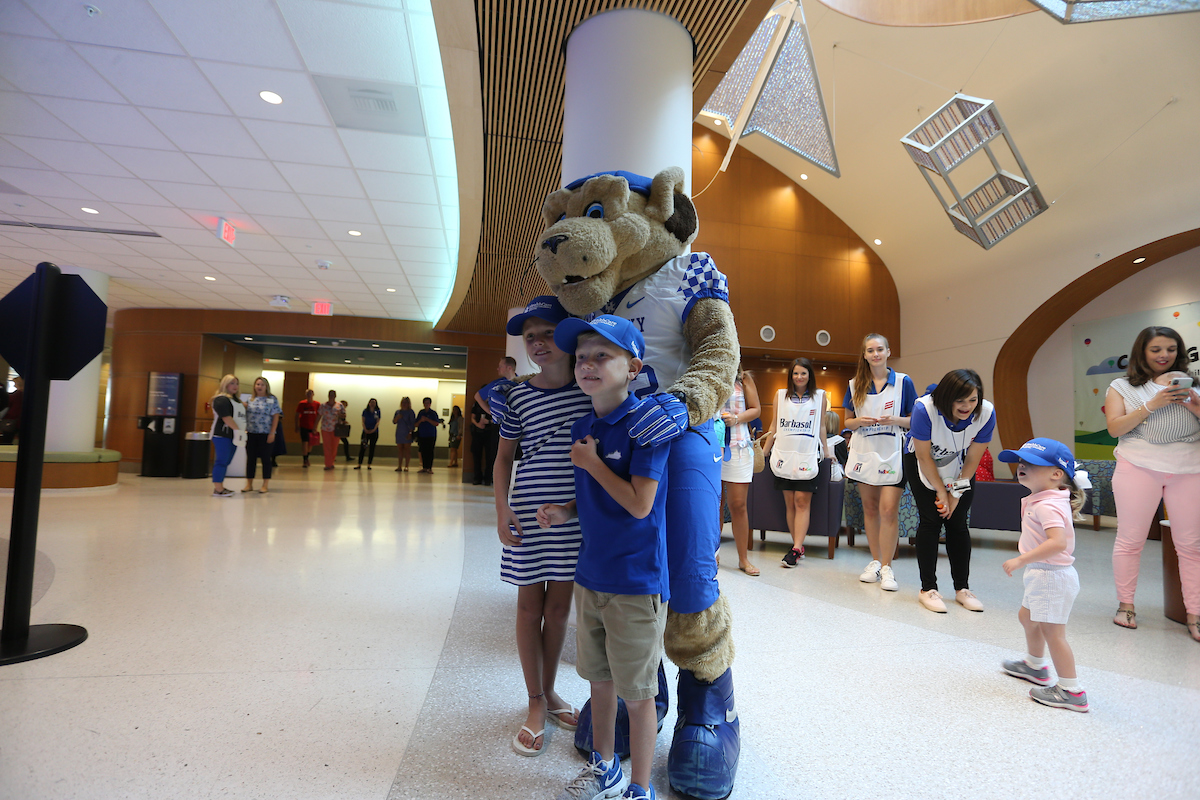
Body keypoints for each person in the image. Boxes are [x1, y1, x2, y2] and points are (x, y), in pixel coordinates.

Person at [539, 315, 670, 800]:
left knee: (638, 693)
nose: (587, 365)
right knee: (599, 681)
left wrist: (592, 463)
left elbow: (639, 504)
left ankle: (641, 787)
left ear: (633, 368)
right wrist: (566, 509)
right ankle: (605, 768)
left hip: (635, 582)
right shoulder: (584, 426)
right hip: (590, 575)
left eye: (602, 356)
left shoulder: (648, 425)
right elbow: (593, 493)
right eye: (582, 357)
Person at [493, 296, 591, 757]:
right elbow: (503, 459)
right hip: (527, 515)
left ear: (568, 337)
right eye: (530, 336)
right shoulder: (517, 396)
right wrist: (501, 509)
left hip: (572, 517)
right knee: (529, 609)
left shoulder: (588, 391)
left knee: (558, 611)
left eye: (548, 333)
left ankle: (549, 692)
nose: (537, 343)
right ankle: (535, 700)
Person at [1104, 326, 1200, 642]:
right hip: (1137, 466)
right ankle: (1126, 606)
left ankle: (1195, 614)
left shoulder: (1194, 384)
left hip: (1189, 468)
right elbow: (1115, 429)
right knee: (1130, 540)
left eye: (1171, 349)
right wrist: (1151, 404)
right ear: (1142, 352)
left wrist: (1194, 405)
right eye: (1156, 349)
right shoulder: (1122, 386)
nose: (1164, 355)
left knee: (1191, 545)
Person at [998, 438, 1090, 712]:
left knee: (1053, 633)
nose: (1022, 466)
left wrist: (1021, 559)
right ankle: (1035, 666)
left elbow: (1058, 543)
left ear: (1056, 474)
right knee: (1027, 617)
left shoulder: (1047, 505)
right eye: (1021, 461)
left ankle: (1071, 690)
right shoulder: (1043, 499)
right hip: (1041, 573)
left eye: (1032, 463)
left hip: (1051, 576)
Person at [907, 369, 996, 613]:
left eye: (972, 400)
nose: (967, 406)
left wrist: (955, 493)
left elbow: (973, 459)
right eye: (960, 400)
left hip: (959, 462)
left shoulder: (986, 413)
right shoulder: (924, 410)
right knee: (931, 520)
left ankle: (962, 588)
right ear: (946, 398)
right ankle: (928, 589)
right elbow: (923, 457)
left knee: (957, 522)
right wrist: (940, 491)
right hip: (922, 461)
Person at [844, 334, 915, 592]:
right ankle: (875, 561)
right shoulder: (854, 384)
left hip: (893, 454)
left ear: (888, 352)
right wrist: (858, 422)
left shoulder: (904, 382)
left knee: (888, 510)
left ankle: (887, 567)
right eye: (870, 350)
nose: (876, 354)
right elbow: (847, 421)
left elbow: (915, 420)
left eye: (880, 349)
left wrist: (896, 420)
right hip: (865, 453)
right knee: (871, 509)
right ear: (864, 355)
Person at [763, 357, 831, 568]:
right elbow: (774, 425)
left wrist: (827, 451)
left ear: (810, 375)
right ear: (790, 375)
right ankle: (797, 546)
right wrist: (764, 450)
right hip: (784, 455)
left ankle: (796, 548)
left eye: (803, 373)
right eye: (795, 373)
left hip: (807, 455)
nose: (799, 377)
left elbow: (821, 426)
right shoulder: (780, 395)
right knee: (790, 502)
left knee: (802, 501)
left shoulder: (820, 396)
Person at [720, 364, 761, 576]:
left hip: (738, 446)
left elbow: (756, 409)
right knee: (713, 504)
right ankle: (711, 555)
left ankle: (743, 559)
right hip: (712, 445)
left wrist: (736, 419)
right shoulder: (709, 374)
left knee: (738, 505)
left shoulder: (744, 379)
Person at [243, 376, 281, 493]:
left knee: (266, 459)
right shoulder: (250, 400)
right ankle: (249, 484)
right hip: (251, 433)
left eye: (262, 385)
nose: (259, 387)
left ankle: (265, 484)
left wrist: (272, 432)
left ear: (266, 387)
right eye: (258, 384)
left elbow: (276, 416)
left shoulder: (272, 399)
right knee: (251, 459)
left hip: (266, 433)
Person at [210, 374, 245, 497]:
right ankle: (218, 489)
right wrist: (238, 430)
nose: (235, 386)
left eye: (237, 383)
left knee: (226, 461)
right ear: (225, 384)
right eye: (232, 383)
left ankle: (220, 487)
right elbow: (226, 417)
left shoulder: (236, 401)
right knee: (222, 461)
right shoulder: (221, 399)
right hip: (222, 435)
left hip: (233, 435)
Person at [414, 397, 443, 474]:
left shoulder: (433, 413)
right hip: (422, 435)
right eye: (425, 403)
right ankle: (424, 467)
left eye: (428, 403)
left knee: (430, 451)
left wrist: (427, 419)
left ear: (430, 404)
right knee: (423, 451)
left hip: (431, 435)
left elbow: (436, 423)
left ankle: (429, 468)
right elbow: (416, 424)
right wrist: (421, 420)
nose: (426, 404)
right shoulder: (421, 413)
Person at [318, 390, 344, 471]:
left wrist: (340, 414)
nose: (331, 396)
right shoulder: (323, 405)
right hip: (325, 428)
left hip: (336, 429)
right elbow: (319, 416)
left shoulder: (340, 405)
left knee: (334, 447)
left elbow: (344, 416)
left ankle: (331, 462)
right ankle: (328, 464)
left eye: (333, 395)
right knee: (327, 447)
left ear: (335, 396)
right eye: (330, 395)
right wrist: (315, 427)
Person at [470, 394, 493, 485]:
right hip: (477, 433)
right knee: (476, 456)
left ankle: (488, 478)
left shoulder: (493, 403)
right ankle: (477, 478)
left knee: (490, 457)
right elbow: (472, 418)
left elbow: (498, 418)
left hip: (489, 432)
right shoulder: (476, 404)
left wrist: (488, 421)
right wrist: (478, 425)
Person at [296, 389, 320, 468]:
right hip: (303, 426)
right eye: (308, 394)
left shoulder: (317, 404)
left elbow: (318, 416)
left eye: (310, 393)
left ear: (313, 394)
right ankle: (305, 459)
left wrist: (315, 426)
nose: (309, 395)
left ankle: (307, 457)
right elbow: (297, 415)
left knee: (310, 443)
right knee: (305, 442)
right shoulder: (302, 403)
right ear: (306, 395)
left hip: (312, 426)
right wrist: (297, 425)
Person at [356, 398, 381, 470]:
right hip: (365, 432)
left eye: (374, 402)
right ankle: (359, 464)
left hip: (374, 432)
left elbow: (377, 422)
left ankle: (369, 464)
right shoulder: (365, 411)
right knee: (363, 448)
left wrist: (373, 430)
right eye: (371, 402)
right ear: (369, 403)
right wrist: (365, 429)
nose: (372, 404)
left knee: (372, 448)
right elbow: (363, 421)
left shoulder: (377, 411)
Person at [393, 397, 415, 472]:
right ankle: (399, 466)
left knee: (407, 450)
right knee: (400, 450)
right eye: (403, 402)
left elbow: (412, 423)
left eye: (406, 403)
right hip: (399, 432)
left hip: (407, 432)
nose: (404, 404)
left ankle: (406, 466)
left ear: (408, 404)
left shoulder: (410, 412)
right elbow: (394, 422)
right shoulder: (398, 412)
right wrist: (397, 417)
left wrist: (410, 433)